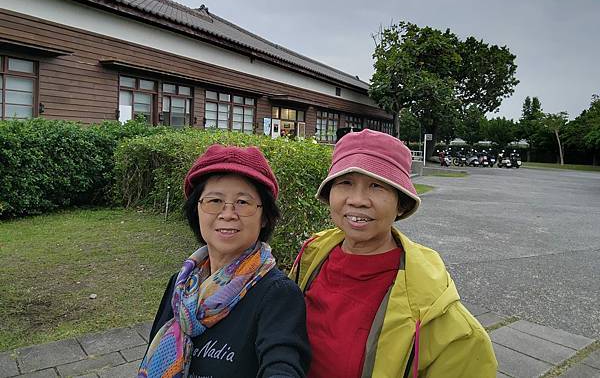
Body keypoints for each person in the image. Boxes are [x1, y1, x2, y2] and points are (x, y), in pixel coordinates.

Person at [290, 129, 497, 378]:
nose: (357, 200)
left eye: (377, 185)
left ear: (401, 204)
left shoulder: (434, 310)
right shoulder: (312, 255)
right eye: (345, 182)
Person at [139, 145, 311, 378]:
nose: (228, 214)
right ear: (196, 210)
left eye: (243, 202)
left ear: (264, 217)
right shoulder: (181, 285)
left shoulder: (277, 294)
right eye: (214, 201)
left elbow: (283, 365)